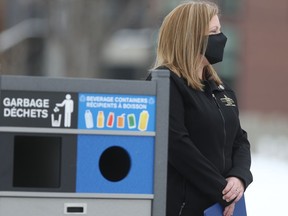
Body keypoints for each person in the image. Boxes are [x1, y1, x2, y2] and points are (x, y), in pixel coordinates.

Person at [150, 1, 253, 216]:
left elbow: (240, 140)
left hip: (222, 205)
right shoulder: (166, 81)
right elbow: (177, 145)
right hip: (185, 207)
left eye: (220, 30)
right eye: (213, 32)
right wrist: (222, 190)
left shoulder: (220, 87)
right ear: (191, 37)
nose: (221, 38)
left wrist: (239, 177)